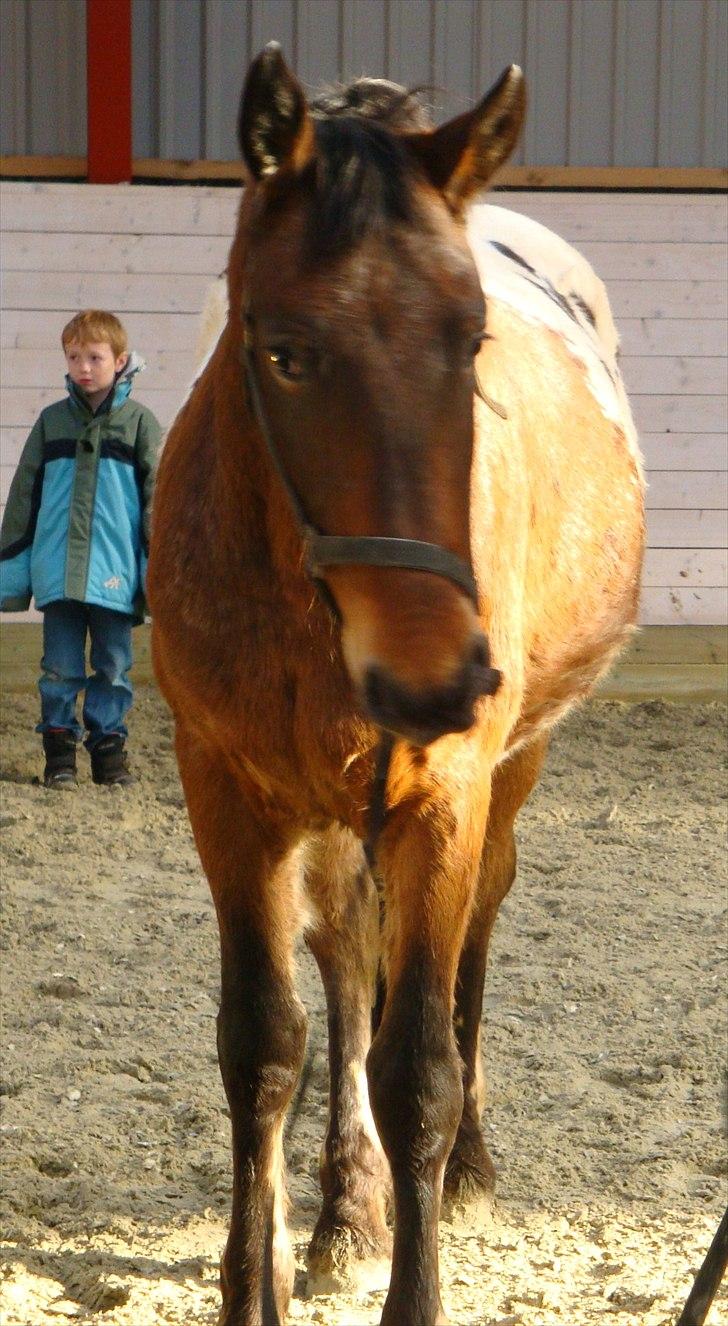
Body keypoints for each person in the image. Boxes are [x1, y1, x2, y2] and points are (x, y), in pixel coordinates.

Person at [0, 310, 161, 788]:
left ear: (121, 360)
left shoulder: (139, 425)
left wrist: (155, 572)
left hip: (116, 574)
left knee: (113, 666)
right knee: (59, 667)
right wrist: (13, 572)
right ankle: (59, 754)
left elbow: (159, 502)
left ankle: (109, 751)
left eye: (95, 357)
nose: (84, 367)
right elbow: (23, 500)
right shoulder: (51, 423)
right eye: (75, 357)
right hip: (58, 574)